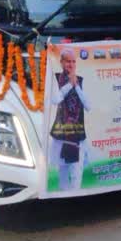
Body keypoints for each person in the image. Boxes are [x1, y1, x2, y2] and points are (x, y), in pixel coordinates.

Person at [50, 48, 91, 191]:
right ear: (61, 62)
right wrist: (69, 85)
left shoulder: (80, 80)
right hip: (61, 133)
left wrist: (76, 86)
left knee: (76, 172)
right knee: (63, 171)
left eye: (73, 61)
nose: (71, 64)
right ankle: (63, 197)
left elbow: (88, 106)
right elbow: (55, 99)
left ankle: (76, 197)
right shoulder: (55, 79)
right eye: (68, 61)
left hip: (78, 134)